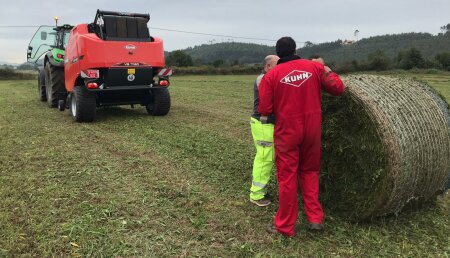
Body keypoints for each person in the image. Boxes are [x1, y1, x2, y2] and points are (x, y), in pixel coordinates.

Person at [258, 37, 345, 237]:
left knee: (287, 177)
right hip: (312, 130)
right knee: (310, 171)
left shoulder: (271, 76)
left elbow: (264, 108)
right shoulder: (314, 68)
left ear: (278, 53)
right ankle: (315, 219)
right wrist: (328, 69)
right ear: (296, 49)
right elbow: (338, 88)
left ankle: (285, 226)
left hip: (287, 132)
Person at [249, 54, 280, 207]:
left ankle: (261, 190)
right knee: (265, 157)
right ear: (268, 66)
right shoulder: (263, 79)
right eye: (277, 64)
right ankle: (256, 194)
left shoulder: (271, 77)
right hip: (263, 123)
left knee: (268, 156)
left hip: (269, 124)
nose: (281, 67)